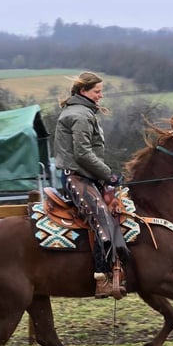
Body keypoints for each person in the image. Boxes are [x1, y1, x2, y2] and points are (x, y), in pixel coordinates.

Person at [53, 71, 129, 299]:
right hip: (78, 178)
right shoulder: (81, 116)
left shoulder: (81, 112)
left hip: (85, 176)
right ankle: (101, 278)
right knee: (103, 219)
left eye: (101, 91)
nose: (101, 95)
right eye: (97, 91)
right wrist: (108, 175)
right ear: (83, 92)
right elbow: (83, 153)